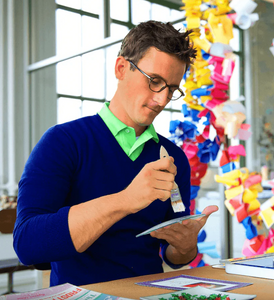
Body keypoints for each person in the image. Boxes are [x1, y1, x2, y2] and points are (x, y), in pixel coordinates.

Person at [13, 20, 218, 287]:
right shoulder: (62, 142)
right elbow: (28, 245)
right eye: (154, 81)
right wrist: (126, 200)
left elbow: (175, 256)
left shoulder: (173, 157)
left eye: (172, 89)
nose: (162, 100)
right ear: (121, 68)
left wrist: (186, 246)